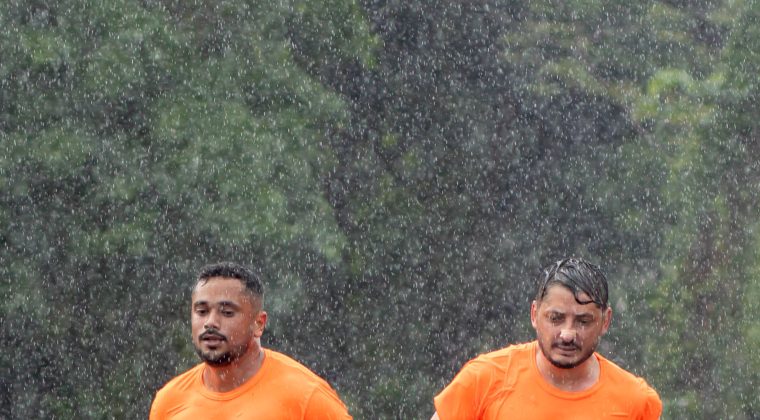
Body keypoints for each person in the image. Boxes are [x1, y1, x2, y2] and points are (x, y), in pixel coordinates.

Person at [431, 257, 662, 420]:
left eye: (583, 321)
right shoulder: (484, 380)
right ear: (534, 314)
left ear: (605, 321)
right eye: (556, 318)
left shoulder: (635, 401)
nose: (567, 334)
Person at [150, 262, 352, 420]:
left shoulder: (306, 396)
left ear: (259, 323)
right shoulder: (169, 402)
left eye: (227, 312)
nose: (210, 322)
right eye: (202, 311)